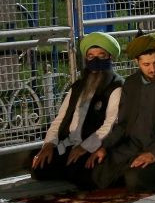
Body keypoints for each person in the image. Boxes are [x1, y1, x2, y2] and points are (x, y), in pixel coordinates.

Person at [89, 33, 155, 192]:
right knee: (96, 171)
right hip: (133, 147)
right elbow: (122, 124)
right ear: (137, 62)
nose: (153, 69)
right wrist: (105, 146)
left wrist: (153, 154)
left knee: (134, 178)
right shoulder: (131, 84)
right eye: (146, 64)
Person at [31, 32, 124, 187]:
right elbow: (60, 119)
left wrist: (84, 147)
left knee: (83, 173)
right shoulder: (78, 87)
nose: (95, 60)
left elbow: (109, 125)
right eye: (91, 55)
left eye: (101, 55)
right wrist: (48, 145)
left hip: (94, 146)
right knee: (39, 168)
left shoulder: (116, 87)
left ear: (110, 58)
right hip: (69, 143)